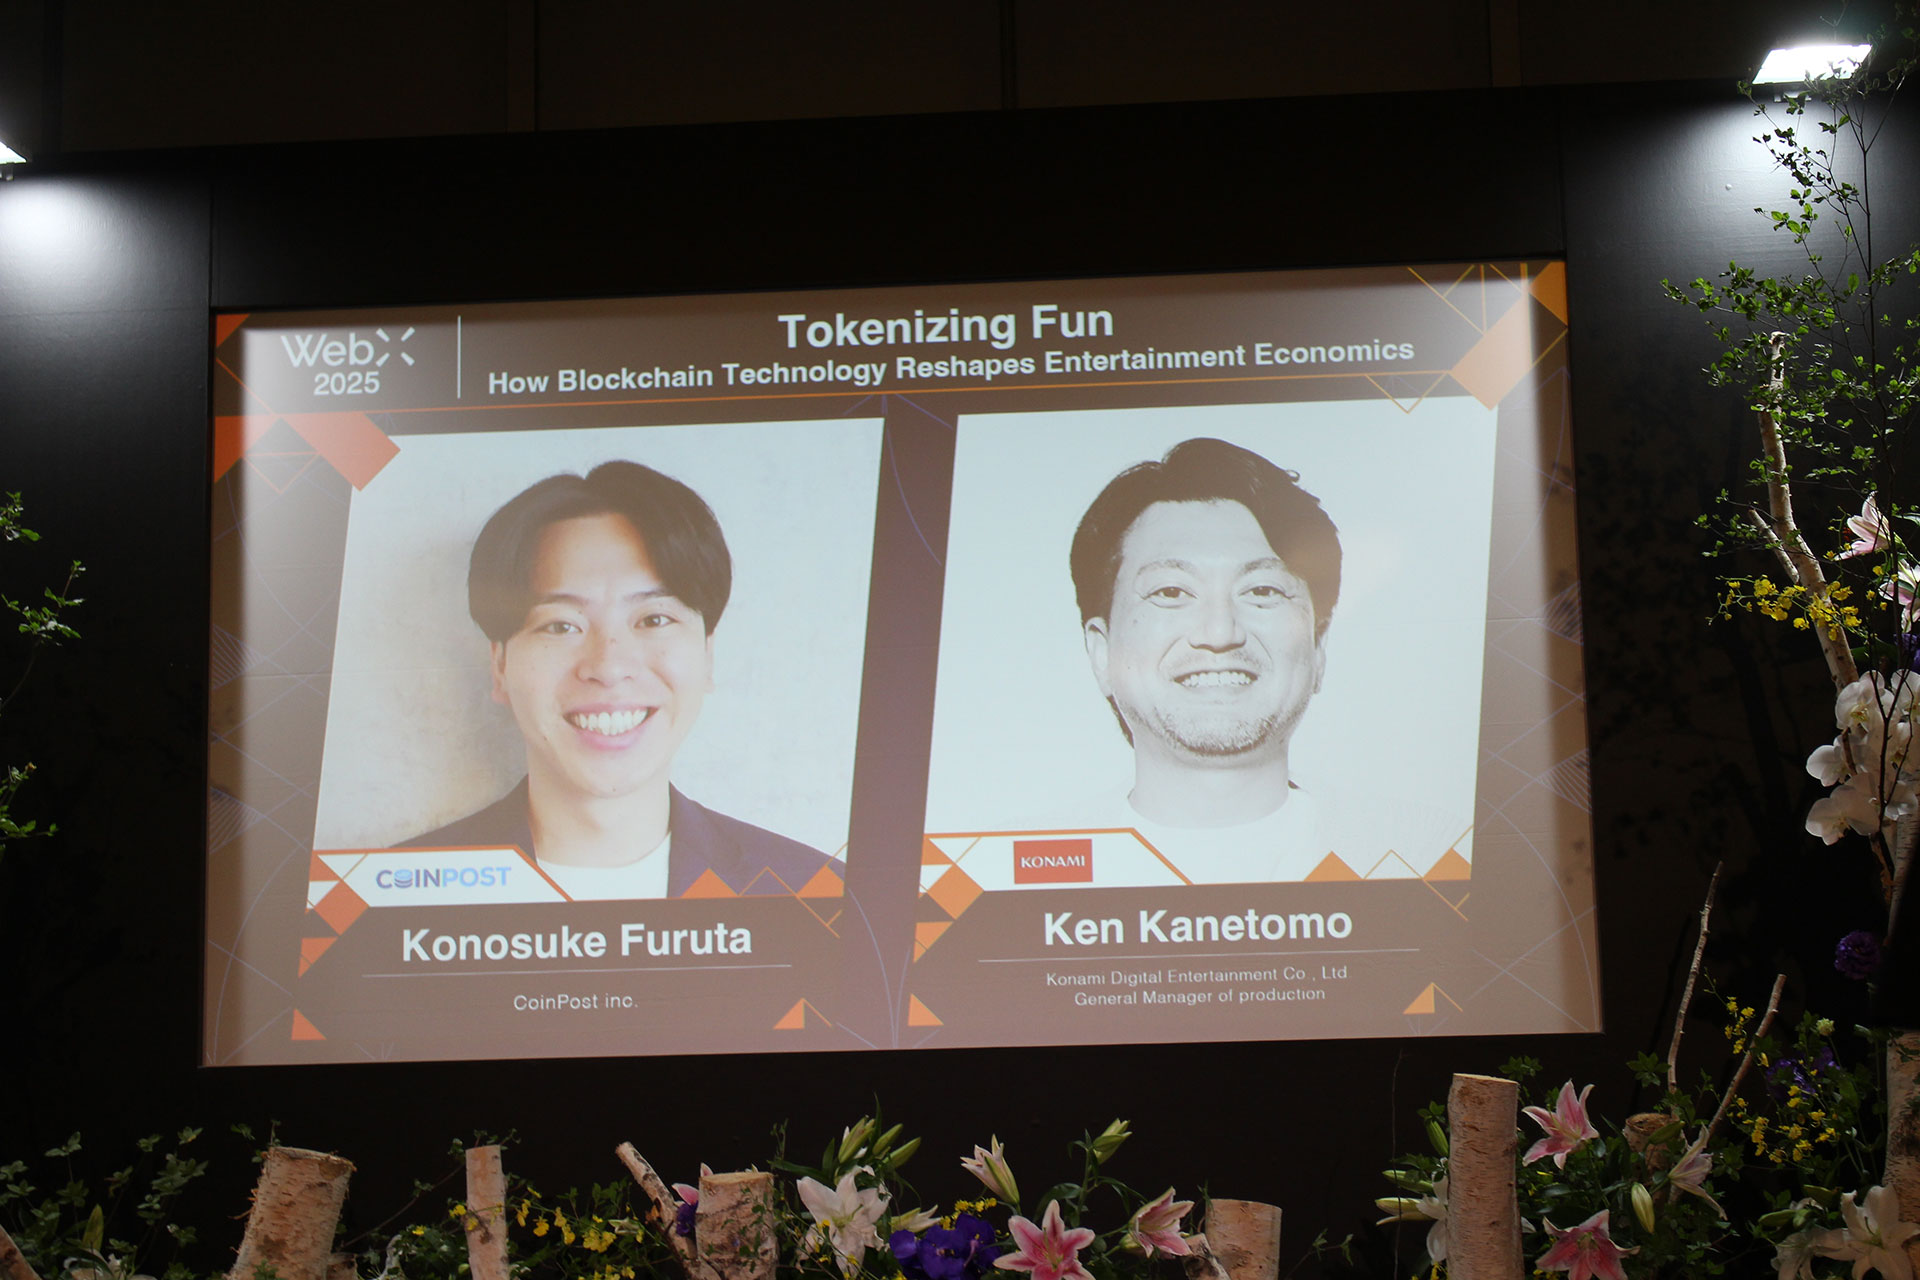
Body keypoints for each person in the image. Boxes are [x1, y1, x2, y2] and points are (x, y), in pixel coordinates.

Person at [405, 461, 839, 899]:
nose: (609, 667)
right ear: (500, 665)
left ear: (707, 654)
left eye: (654, 619)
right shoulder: (391, 899)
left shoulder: (818, 897)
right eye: (561, 625)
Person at [1066, 436, 1342, 882]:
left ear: (1318, 647)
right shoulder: (994, 870)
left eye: (1262, 590)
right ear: (1101, 653)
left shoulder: (1422, 850)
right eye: (1171, 591)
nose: (1220, 633)